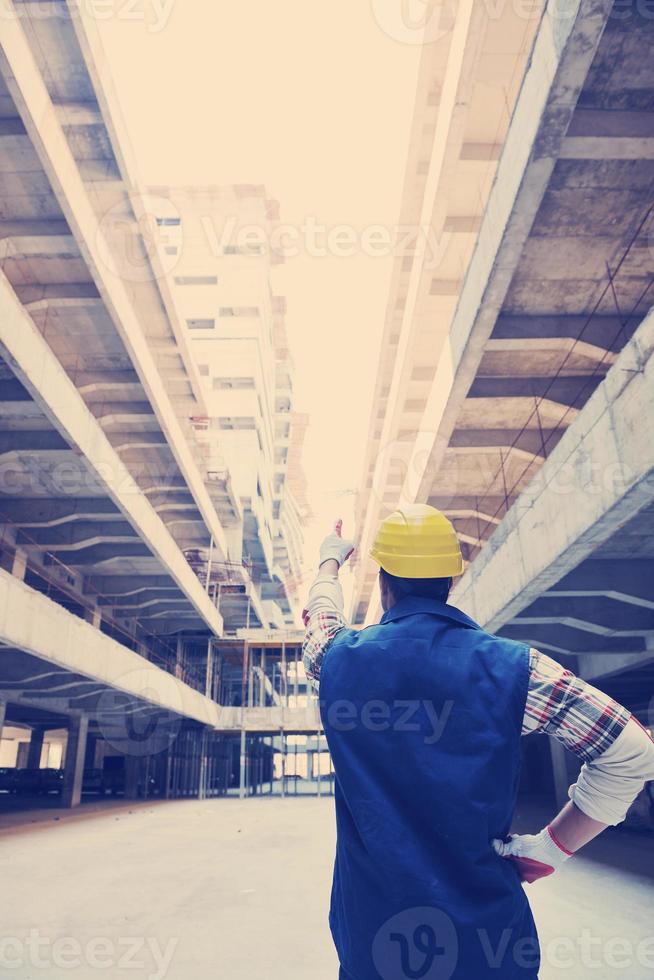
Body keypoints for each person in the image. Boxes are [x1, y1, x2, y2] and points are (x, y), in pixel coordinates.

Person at [302, 505, 654, 980]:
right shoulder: (518, 669)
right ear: (451, 579)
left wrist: (331, 560)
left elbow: (320, 618)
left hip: (374, 940)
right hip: (489, 947)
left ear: (384, 583)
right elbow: (632, 751)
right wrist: (551, 847)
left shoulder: (338, 659)